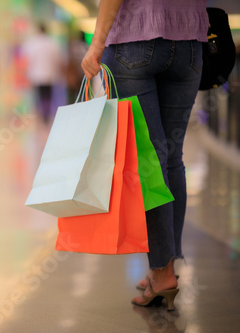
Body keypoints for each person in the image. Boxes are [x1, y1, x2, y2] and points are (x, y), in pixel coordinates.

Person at [81, 0, 208, 310]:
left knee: (149, 160)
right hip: (189, 46)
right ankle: (164, 267)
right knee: (171, 158)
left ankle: (162, 271)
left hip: (133, 44)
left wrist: (96, 46)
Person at [22, 23, 64, 124]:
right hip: (49, 75)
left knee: (37, 97)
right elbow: (58, 59)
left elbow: (27, 59)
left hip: (36, 75)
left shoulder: (32, 43)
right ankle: (46, 116)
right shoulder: (52, 42)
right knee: (47, 96)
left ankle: (39, 117)